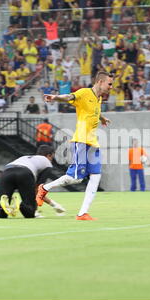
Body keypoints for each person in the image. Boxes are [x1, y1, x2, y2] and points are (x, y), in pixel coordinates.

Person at [36, 71, 113, 221]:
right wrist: (56, 97)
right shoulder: (84, 93)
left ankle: (82, 213)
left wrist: (102, 118)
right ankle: (44, 188)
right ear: (100, 82)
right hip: (81, 141)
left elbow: (94, 112)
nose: (111, 86)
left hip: (93, 143)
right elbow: (69, 97)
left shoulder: (99, 98)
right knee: (76, 178)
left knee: (96, 176)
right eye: (109, 83)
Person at [0, 145, 65, 218]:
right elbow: (38, 190)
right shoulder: (47, 163)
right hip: (24, 172)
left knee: (2, 213)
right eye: (52, 157)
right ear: (49, 155)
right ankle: (22, 205)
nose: (52, 160)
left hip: (6, 172)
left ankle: (2, 210)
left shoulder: (25, 157)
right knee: (29, 212)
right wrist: (54, 205)